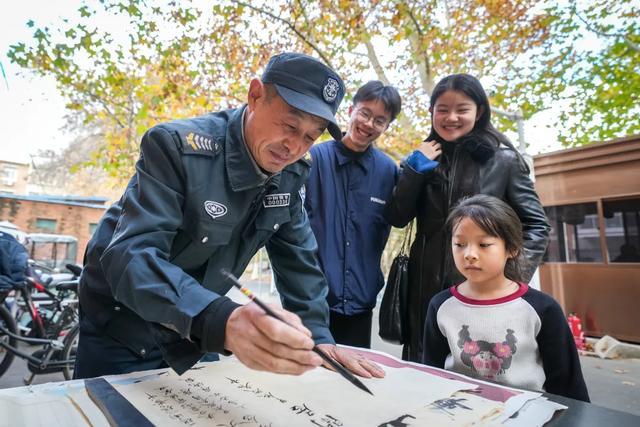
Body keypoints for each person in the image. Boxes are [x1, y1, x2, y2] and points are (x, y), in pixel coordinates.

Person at [75, 52, 385, 381]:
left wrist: (319, 340)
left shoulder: (292, 173)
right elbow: (131, 256)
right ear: (255, 96)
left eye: (310, 136)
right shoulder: (176, 147)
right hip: (123, 324)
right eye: (290, 125)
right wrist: (223, 321)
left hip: (199, 330)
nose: (293, 146)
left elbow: (300, 265)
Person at [384, 73, 550, 362]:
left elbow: (536, 225)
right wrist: (414, 170)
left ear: (479, 112)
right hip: (423, 293)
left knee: (476, 371)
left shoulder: (504, 161)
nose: (451, 117)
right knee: (424, 372)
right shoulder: (422, 159)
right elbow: (398, 216)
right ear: (432, 112)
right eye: (442, 110)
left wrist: (510, 277)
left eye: (462, 109)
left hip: (483, 292)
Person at [422, 195, 590, 402]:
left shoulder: (542, 309)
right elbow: (431, 373)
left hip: (529, 413)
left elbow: (568, 385)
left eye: (484, 244)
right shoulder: (440, 305)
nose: (469, 254)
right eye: (460, 244)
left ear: (512, 248)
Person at [304, 81, 401, 348]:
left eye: (380, 120)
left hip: (360, 301)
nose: (369, 124)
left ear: (386, 126)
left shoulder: (388, 172)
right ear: (351, 110)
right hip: (312, 301)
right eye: (365, 113)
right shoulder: (313, 159)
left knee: (352, 380)